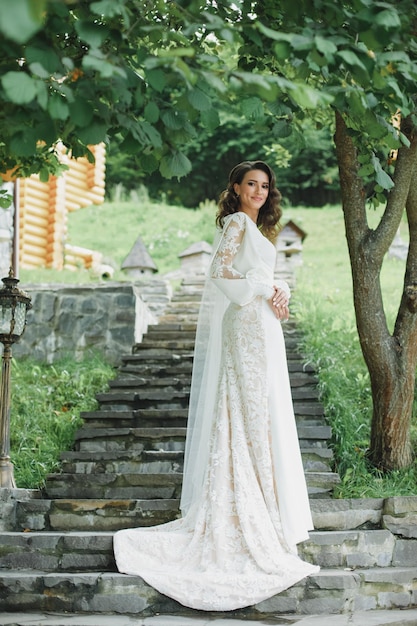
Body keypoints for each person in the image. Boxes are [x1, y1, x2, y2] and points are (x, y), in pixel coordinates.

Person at [113, 160, 319, 611]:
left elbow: (254, 275)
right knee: (247, 411)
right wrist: (263, 289)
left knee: (258, 411)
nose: (260, 191)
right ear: (236, 188)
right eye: (252, 184)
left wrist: (277, 287)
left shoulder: (255, 227)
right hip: (245, 324)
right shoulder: (238, 223)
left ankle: (265, 509)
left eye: (266, 185)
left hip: (262, 325)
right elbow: (219, 274)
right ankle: (250, 510)